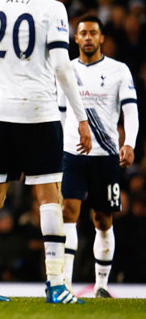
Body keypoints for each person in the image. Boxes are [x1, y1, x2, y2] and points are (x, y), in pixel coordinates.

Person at [0, 0, 92, 304]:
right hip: (39, 112)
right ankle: (56, 285)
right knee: (49, 195)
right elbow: (63, 67)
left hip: (2, 113)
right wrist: (81, 118)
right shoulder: (53, 9)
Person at [59, 15, 139, 298]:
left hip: (105, 155)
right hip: (73, 154)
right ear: (76, 38)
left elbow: (130, 110)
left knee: (103, 219)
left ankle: (101, 285)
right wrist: (58, 145)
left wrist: (129, 143)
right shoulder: (65, 69)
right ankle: (64, 285)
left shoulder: (119, 70)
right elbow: (60, 113)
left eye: (94, 33)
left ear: (102, 38)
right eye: (83, 33)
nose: (89, 37)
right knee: (68, 213)